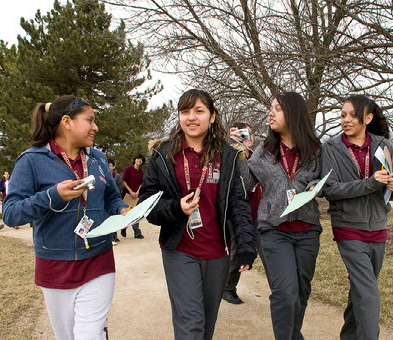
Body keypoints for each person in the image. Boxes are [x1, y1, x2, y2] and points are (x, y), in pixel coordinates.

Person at [3, 95, 129, 340]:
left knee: (89, 335)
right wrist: (53, 196)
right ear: (67, 122)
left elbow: (112, 198)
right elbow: (10, 213)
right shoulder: (31, 160)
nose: (96, 127)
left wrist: (122, 210)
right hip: (55, 266)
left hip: (98, 260)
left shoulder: (99, 159)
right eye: (89, 120)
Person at [138, 89, 257, 340]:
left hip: (218, 252)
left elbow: (238, 203)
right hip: (179, 249)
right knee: (190, 321)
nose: (191, 117)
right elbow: (146, 204)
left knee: (207, 322)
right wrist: (176, 208)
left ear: (212, 116)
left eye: (199, 111)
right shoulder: (163, 154)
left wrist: (246, 244)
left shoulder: (228, 155)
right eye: (185, 112)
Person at [234, 92, 322, 340]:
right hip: (274, 230)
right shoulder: (264, 150)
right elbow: (247, 183)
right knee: (285, 292)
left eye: (277, 109)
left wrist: (316, 185)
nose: (271, 113)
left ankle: (293, 335)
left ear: (293, 113)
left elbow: (323, 177)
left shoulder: (315, 149)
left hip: (307, 230)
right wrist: (241, 153)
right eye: (270, 108)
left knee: (301, 292)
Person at [321, 95, 393, 340]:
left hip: (378, 226)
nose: (346, 120)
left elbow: (392, 191)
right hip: (348, 228)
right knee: (368, 292)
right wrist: (369, 183)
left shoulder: (384, 146)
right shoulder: (331, 148)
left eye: (352, 115)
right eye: (343, 115)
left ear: (367, 118)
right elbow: (331, 190)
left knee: (361, 290)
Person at [223, 122, 264, 305]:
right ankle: (228, 288)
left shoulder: (258, 157)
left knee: (263, 250)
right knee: (236, 251)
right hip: (235, 213)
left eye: (244, 134)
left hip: (257, 213)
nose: (240, 138)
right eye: (235, 134)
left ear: (252, 137)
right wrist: (234, 148)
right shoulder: (227, 156)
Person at [120, 154, 145, 239]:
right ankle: (123, 228)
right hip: (127, 195)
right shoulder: (128, 169)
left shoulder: (141, 172)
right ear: (135, 159)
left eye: (141, 160)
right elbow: (123, 180)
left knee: (136, 213)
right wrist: (130, 191)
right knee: (126, 213)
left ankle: (137, 233)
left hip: (136, 196)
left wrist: (137, 192)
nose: (139, 161)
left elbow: (141, 183)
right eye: (138, 159)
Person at [108, 158, 124, 245]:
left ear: (114, 167)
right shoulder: (103, 176)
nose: (108, 167)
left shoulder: (117, 177)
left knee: (114, 219)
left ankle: (114, 236)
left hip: (114, 200)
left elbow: (120, 188)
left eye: (110, 165)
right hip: (105, 201)